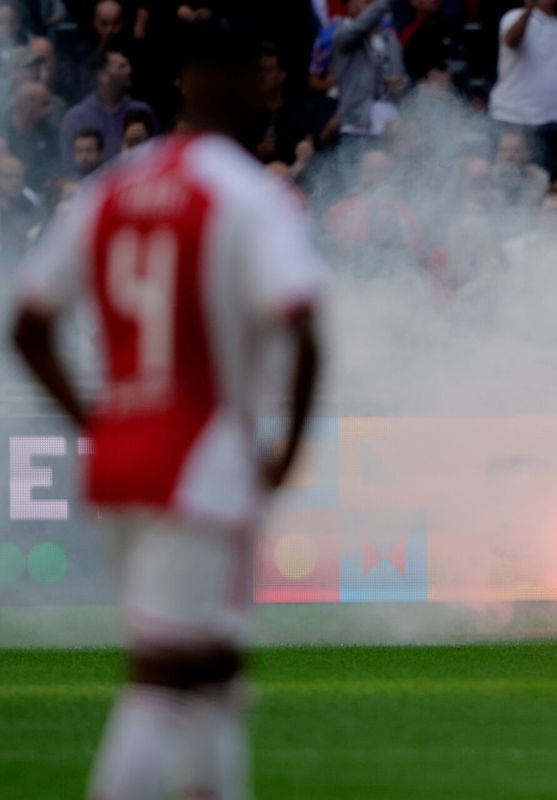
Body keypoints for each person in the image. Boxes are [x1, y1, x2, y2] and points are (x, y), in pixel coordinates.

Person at [10, 19, 323, 800]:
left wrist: (98, 423)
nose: (273, 88)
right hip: (201, 461)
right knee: (162, 679)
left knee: (211, 668)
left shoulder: (115, 185)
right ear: (217, 80)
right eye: (264, 71)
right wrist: (286, 455)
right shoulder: (245, 191)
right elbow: (304, 328)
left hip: (123, 459)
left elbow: (28, 324)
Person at [488, 0, 557, 176]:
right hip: (513, 117)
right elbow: (511, 40)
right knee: (505, 180)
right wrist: (528, 10)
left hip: (552, 120)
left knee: (546, 182)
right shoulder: (514, 16)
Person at [59, 46, 157, 175]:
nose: (129, 70)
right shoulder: (76, 117)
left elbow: (157, 157)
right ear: (103, 76)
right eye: (122, 66)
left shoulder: (141, 112)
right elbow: (69, 168)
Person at [332, 0, 407, 139]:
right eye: (367, 1)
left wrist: (399, 85)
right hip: (357, 127)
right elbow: (362, 25)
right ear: (350, 7)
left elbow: (403, 82)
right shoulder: (341, 34)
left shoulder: (391, 40)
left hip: (390, 130)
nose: (373, 4)